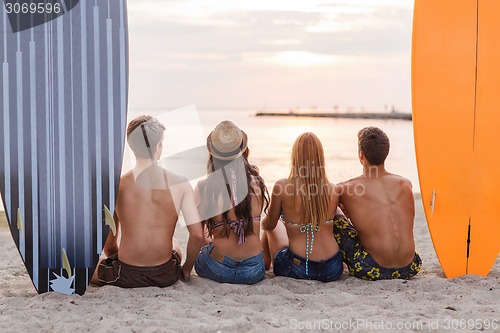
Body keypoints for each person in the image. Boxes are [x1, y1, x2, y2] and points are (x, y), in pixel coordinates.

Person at [93, 115, 204, 288]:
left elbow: (110, 245)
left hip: (126, 274)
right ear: (158, 146)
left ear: (132, 146)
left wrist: (118, 256)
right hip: (166, 274)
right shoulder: (180, 182)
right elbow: (197, 235)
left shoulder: (117, 186)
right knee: (174, 244)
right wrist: (186, 270)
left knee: (89, 265)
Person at [335, 126, 421, 280]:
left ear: (361, 155)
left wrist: (342, 207)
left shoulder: (345, 188)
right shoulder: (405, 184)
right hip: (410, 266)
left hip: (372, 267)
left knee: (335, 216)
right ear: (386, 153)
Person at [194, 120, 269, 284]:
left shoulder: (204, 187)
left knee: (204, 245)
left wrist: (187, 268)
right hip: (254, 269)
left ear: (213, 155)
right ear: (244, 152)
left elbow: (197, 236)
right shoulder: (258, 184)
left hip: (218, 266)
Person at [261, 132, 343, 282]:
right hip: (332, 268)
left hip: (297, 268)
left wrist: (268, 220)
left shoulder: (282, 186)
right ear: (320, 157)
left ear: (295, 156)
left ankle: (263, 266)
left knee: (271, 228)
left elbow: (269, 224)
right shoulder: (334, 189)